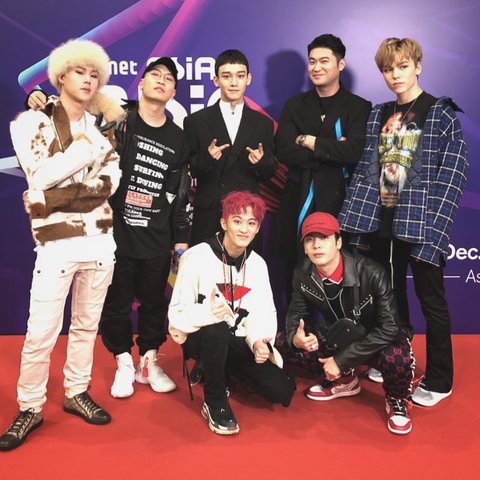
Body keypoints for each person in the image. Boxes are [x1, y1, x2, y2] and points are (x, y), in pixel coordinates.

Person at [26, 58, 191, 399]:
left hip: (156, 236)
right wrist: (36, 97)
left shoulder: (179, 138)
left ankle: (148, 361)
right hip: (115, 234)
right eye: (155, 75)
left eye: (168, 79)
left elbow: (179, 192)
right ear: (141, 83)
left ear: (173, 92)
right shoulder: (116, 117)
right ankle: (123, 362)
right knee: (116, 305)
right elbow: (71, 104)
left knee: (153, 304)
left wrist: (179, 240)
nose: (161, 81)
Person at [0, 39, 123, 451]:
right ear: (60, 76)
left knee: (87, 326)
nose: (88, 80)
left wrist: (50, 199)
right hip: (55, 245)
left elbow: (109, 183)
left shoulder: (102, 126)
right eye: (79, 72)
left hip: (100, 241)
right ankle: (30, 406)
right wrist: (89, 148)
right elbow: (40, 176)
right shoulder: (29, 124)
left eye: (94, 74)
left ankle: (76, 391)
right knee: (41, 333)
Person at [339, 38, 468, 406]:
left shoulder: (439, 113)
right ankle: (396, 356)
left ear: (418, 67)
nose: (395, 75)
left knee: (431, 301)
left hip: (422, 223)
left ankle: (440, 380)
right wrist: (354, 219)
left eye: (402, 66)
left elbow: (453, 175)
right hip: (382, 221)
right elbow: (366, 170)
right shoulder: (379, 114)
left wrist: (436, 232)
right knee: (388, 298)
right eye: (388, 69)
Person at [168, 191, 295, 436]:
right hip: (201, 337)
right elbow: (177, 313)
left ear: (258, 228)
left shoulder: (257, 264)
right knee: (217, 330)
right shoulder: (195, 257)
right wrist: (208, 312)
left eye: (251, 223)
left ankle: (221, 368)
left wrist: (258, 341)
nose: (244, 229)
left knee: (280, 390)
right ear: (224, 223)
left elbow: (263, 309)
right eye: (237, 221)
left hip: (238, 339)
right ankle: (214, 401)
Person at [284, 212, 415, 435]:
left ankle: (396, 399)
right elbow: (296, 313)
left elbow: (390, 328)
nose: (316, 245)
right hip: (338, 336)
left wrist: (341, 360)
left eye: (324, 238)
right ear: (304, 247)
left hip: (375, 339)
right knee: (284, 344)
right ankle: (345, 381)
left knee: (396, 357)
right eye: (309, 239)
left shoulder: (372, 272)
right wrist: (296, 337)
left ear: (338, 242)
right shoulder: (302, 273)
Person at [274, 33, 371, 301]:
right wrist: (332, 149)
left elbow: (354, 152)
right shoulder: (295, 105)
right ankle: (297, 323)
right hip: (298, 196)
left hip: (341, 198)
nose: (316, 67)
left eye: (324, 61)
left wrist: (308, 141)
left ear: (340, 64)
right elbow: (284, 151)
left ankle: (343, 324)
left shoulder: (359, 107)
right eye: (312, 61)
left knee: (344, 267)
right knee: (296, 267)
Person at [184, 49, 276, 248]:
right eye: (226, 76)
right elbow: (191, 170)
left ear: (248, 79)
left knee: (245, 268)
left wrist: (261, 162)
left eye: (240, 76)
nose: (234, 83)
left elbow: (270, 172)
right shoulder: (195, 121)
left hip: (246, 217)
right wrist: (207, 158)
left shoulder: (263, 123)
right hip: (209, 214)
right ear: (216, 80)